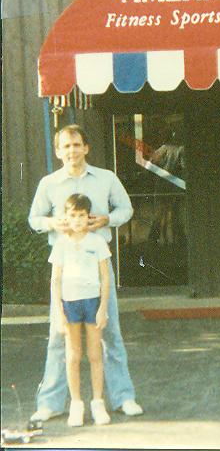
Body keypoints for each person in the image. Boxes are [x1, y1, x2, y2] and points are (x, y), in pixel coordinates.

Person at [28, 124, 143, 421]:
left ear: (86, 147)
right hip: (65, 274)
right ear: (57, 151)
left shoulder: (106, 178)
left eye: (77, 144)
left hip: (97, 268)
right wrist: (55, 223)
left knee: (110, 333)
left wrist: (106, 219)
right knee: (59, 336)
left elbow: (126, 210)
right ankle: (51, 403)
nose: (72, 151)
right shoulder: (49, 183)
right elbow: (34, 219)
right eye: (66, 146)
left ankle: (122, 397)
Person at [49, 194, 111, 426]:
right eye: (73, 215)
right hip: (70, 304)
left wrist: (103, 308)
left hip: (92, 302)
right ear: (66, 217)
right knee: (73, 356)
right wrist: (59, 313)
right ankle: (76, 404)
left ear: (88, 217)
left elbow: (105, 278)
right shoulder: (61, 243)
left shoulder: (96, 242)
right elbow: (55, 279)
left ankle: (97, 403)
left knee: (95, 355)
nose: (77, 220)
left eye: (82, 215)